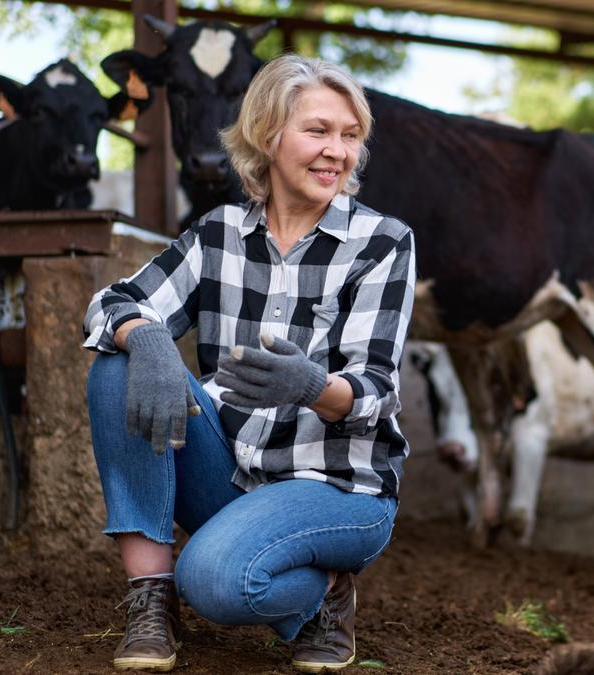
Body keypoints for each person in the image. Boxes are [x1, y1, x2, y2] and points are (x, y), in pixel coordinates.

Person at [82, 54, 414, 673]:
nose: (336, 152)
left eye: (350, 136)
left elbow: (376, 389)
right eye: (318, 131)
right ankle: (149, 600)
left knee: (214, 584)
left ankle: (324, 594)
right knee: (117, 361)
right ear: (268, 134)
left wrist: (315, 386)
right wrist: (147, 337)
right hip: (234, 471)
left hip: (340, 487)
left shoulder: (383, 242)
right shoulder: (218, 234)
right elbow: (114, 303)